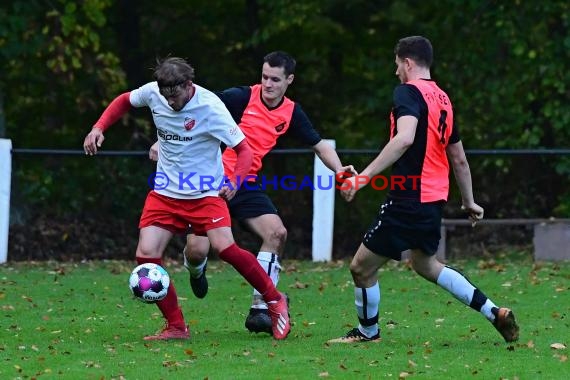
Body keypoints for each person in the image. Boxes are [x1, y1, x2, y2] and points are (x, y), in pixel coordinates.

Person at [83, 57, 290, 341]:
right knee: (146, 256)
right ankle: (177, 327)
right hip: (166, 191)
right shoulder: (155, 92)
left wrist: (235, 181)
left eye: (176, 97)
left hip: (205, 192)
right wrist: (98, 128)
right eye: (166, 97)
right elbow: (124, 101)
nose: (170, 103)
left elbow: (245, 151)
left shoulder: (210, 107)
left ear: (189, 85)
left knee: (225, 248)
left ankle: (274, 299)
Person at [328, 36, 519, 344]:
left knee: (361, 267)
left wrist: (363, 178)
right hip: (433, 199)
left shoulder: (407, 92)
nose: (396, 74)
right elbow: (458, 157)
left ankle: (367, 333)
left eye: (396, 66)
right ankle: (492, 311)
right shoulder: (443, 99)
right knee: (425, 263)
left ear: (407, 63)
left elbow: (404, 138)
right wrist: (469, 201)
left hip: (408, 197)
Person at [150, 51, 355, 335]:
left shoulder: (292, 112)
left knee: (277, 233)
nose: (268, 84)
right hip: (210, 182)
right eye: (264, 77)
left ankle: (262, 305)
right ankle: (196, 269)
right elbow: (189, 109)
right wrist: (161, 143)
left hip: (244, 183)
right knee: (197, 250)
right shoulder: (239, 98)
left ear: (289, 80)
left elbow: (319, 145)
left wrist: (340, 171)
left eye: (275, 79)